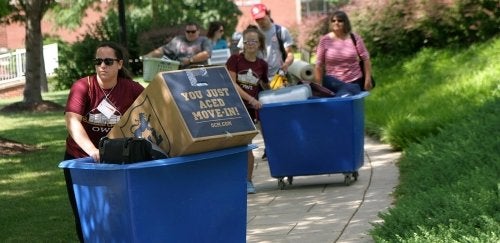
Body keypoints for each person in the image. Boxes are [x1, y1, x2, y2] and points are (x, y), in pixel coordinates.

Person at [63, 41, 145, 242]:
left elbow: (152, 113)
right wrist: (92, 151)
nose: (102, 66)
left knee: (120, 212)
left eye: (108, 61)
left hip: (118, 159)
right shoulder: (83, 86)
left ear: (119, 64)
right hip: (82, 160)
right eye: (98, 61)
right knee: (86, 215)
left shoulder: (132, 88)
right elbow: (72, 120)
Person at [226, 26, 269, 194]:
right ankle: (231, 180)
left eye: (254, 41)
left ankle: (248, 181)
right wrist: (250, 98)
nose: (250, 44)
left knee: (247, 145)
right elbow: (232, 83)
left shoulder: (262, 65)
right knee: (232, 145)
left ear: (259, 44)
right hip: (234, 107)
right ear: (242, 43)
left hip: (250, 111)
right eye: (247, 41)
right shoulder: (235, 60)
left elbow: (264, 86)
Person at [314, 10, 373, 96]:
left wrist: (368, 79)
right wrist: (318, 86)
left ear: (346, 23)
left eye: (340, 20)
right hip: (333, 83)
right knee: (339, 104)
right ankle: (348, 90)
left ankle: (348, 90)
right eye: (333, 21)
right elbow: (319, 65)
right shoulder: (324, 40)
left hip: (355, 80)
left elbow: (366, 59)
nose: (336, 23)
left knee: (349, 105)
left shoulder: (355, 38)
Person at [238, 3, 294, 80]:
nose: (260, 21)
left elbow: (290, 54)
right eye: (257, 19)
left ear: (268, 14)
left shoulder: (281, 31)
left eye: (262, 18)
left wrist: (286, 64)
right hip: (257, 77)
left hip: (279, 76)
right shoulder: (250, 33)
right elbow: (241, 53)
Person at [145, 22, 212, 69]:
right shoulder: (178, 40)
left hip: (199, 71)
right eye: (188, 31)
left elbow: (206, 54)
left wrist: (190, 60)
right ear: (185, 31)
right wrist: (147, 57)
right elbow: (162, 50)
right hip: (180, 72)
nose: (190, 33)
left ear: (198, 31)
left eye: (193, 31)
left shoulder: (204, 40)